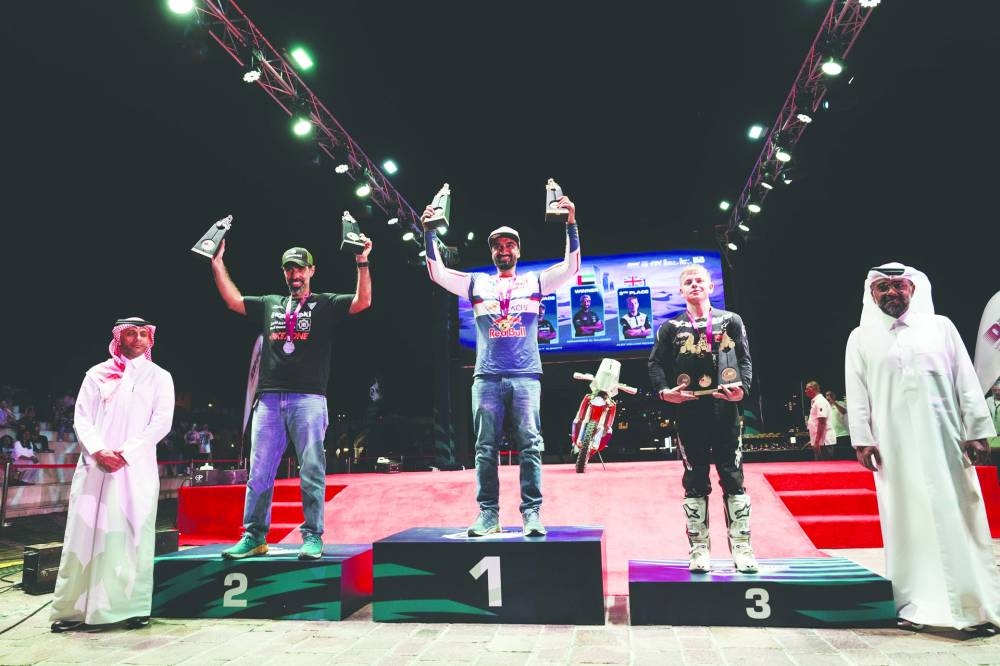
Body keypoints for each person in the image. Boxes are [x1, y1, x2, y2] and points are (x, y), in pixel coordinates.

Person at [845, 262, 1000, 633]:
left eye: (899, 286)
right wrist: (862, 440)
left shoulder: (941, 328)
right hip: (892, 449)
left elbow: (965, 379)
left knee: (959, 513)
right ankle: (914, 605)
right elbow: (858, 392)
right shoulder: (861, 338)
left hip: (945, 441)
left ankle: (975, 605)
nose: (891, 293)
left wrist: (977, 430)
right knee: (904, 519)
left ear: (913, 290)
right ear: (872, 295)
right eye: (883, 288)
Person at [421, 194, 580, 536]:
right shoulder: (478, 282)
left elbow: (572, 267)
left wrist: (571, 223)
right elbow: (437, 272)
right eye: (497, 246)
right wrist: (429, 233)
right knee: (484, 448)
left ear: (518, 251)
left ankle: (532, 514)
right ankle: (488, 514)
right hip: (487, 376)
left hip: (525, 375)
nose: (503, 250)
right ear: (492, 252)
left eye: (509, 245)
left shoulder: (535, 281)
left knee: (531, 446)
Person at [210, 236, 372, 560]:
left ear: (312, 270)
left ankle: (312, 537)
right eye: (289, 270)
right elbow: (233, 301)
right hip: (268, 400)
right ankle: (254, 536)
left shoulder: (325, 303)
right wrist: (217, 263)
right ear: (284, 273)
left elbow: (362, 301)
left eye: (300, 269)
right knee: (259, 472)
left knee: (311, 469)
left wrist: (362, 261)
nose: (295, 275)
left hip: (309, 399)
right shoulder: (271, 302)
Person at [50, 317, 175, 633]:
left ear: (151, 340)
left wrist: (125, 453)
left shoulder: (160, 377)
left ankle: (131, 609)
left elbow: (161, 423)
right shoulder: (96, 374)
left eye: (143, 333)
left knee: (131, 536)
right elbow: (82, 418)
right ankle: (74, 611)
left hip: (135, 469)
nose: (137, 338)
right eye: (130, 333)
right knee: (84, 536)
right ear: (118, 338)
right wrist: (98, 451)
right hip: (96, 467)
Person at [648, 264, 756, 573]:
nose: (694, 285)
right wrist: (663, 392)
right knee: (694, 480)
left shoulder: (730, 320)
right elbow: (655, 364)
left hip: (725, 409)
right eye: (688, 282)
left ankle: (742, 547)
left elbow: (745, 359)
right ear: (681, 291)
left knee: (733, 477)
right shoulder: (670, 328)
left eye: (699, 281)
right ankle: (699, 549)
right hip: (689, 410)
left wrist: (743, 390)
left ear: (710, 287)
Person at [804, 380, 836, 460]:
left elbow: (822, 423)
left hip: (823, 442)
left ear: (813, 389)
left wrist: (817, 441)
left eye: (807, 389)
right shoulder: (816, 401)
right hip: (820, 442)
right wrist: (813, 440)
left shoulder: (820, 401)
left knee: (825, 468)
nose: (805, 391)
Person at [824, 389, 851, 458]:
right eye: (827, 395)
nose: (829, 397)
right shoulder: (825, 407)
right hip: (831, 437)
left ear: (834, 396)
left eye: (831, 395)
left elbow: (844, 412)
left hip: (843, 435)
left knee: (845, 458)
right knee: (833, 459)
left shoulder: (840, 403)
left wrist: (834, 403)